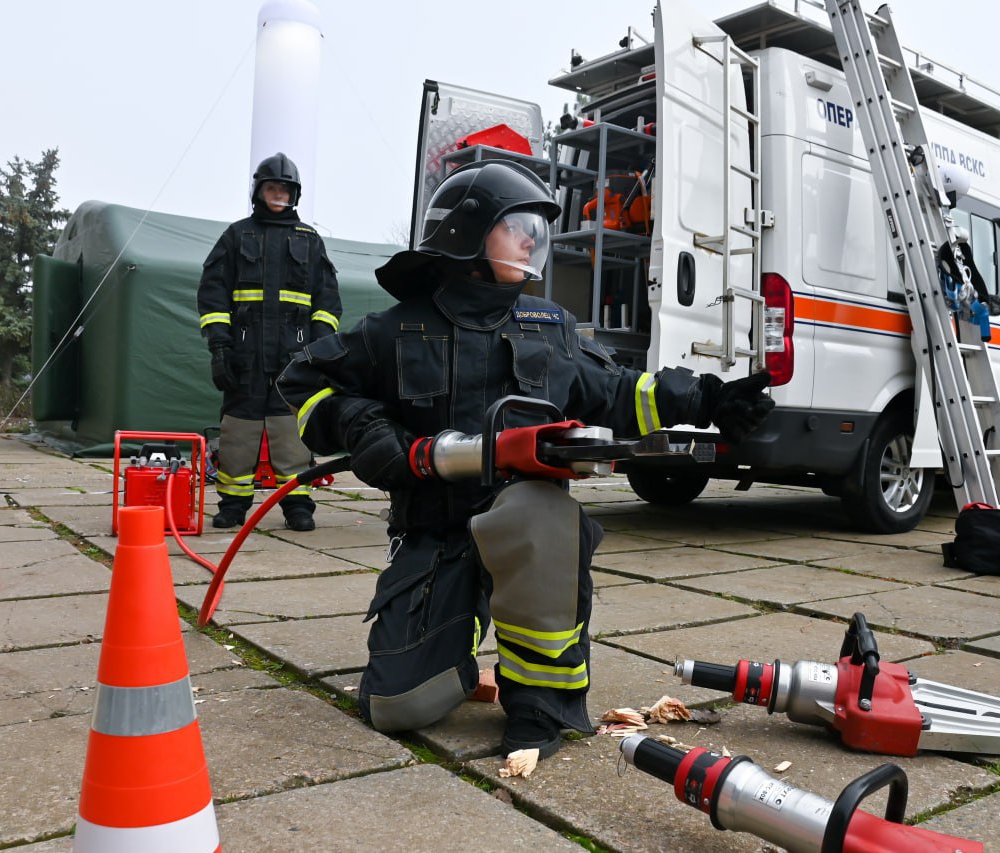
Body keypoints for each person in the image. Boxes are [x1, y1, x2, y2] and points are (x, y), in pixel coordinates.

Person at [276, 159, 773, 758]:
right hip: (434, 530)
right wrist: (370, 430)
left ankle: (541, 702)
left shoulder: (548, 327)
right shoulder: (395, 330)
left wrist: (707, 398)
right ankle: (463, 618)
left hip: (527, 529)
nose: (531, 240)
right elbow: (305, 380)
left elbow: (617, 391)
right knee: (398, 706)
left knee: (542, 515)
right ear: (467, 233)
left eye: (534, 229)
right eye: (516, 226)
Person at [197, 152, 341, 531]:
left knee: (290, 434)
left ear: (294, 195)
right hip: (244, 355)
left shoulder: (310, 240)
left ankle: (297, 506)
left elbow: (327, 301)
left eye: (285, 189)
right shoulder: (236, 236)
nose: (278, 194)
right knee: (238, 433)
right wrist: (219, 348)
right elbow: (213, 294)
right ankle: (233, 505)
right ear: (259, 191)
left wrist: (318, 352)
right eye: (272, 188)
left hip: (294, 358)